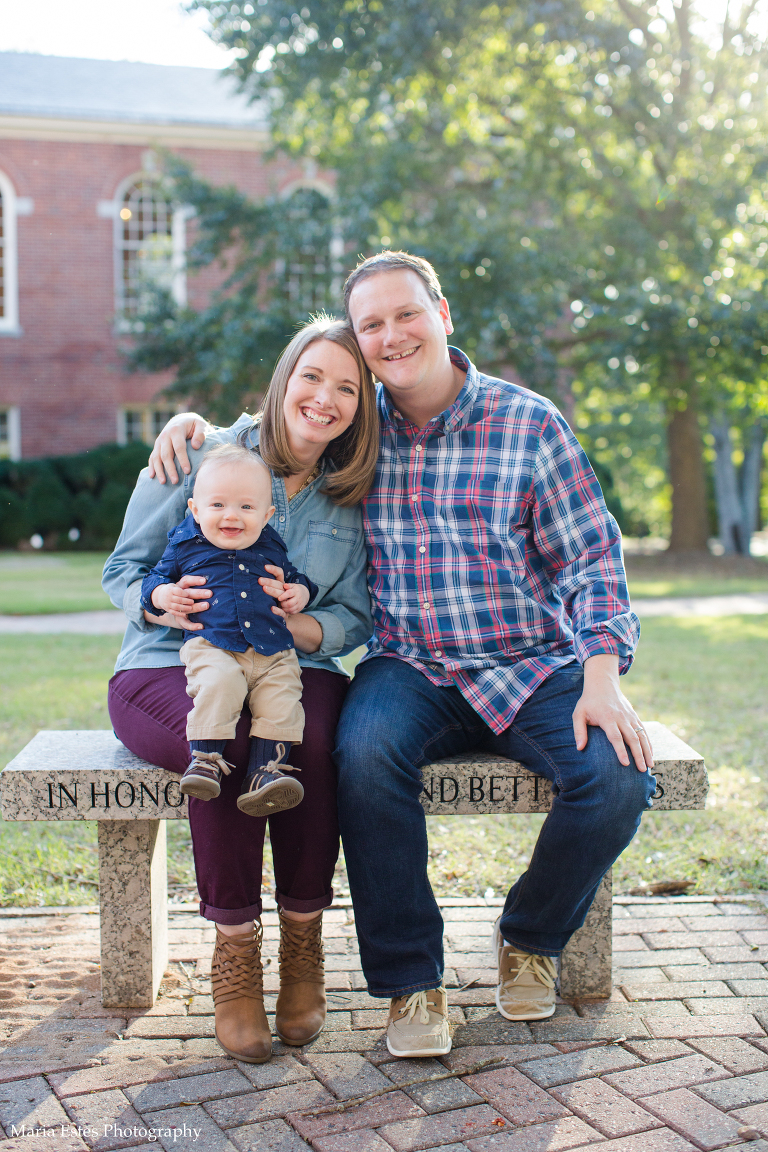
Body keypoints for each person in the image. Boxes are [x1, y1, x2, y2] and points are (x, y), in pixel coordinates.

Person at [151, 251, 656, 1062]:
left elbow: (592, 558)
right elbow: (274, 433)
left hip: (531, 663)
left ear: (442, 314)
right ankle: (410, 981)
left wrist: (603, 677)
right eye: (370, 325)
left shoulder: (530, 424)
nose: (389, 336)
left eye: (405, 314)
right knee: (363, 751)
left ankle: (529, 935)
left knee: (619, 779)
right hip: (409, 664)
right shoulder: (358, 429)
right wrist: (192, 428)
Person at [103, 315, 377, 1064]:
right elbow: (121, 570)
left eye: (348, 388)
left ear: (363, 404)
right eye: (312, 376)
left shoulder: (351, 492)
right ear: (285, 376)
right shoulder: (196, 452)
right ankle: (233, 960)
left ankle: (302, 944)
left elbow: (354, 613)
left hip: (289, 664)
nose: (325, 398)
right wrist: (159, 603)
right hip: (166, 661)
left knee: (310, 740)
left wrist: (307, 623)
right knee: (224, 743)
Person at [141, 444, 318, 817]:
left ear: (267, 515)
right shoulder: (184, 543)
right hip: (213, 644)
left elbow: (294, 578)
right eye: (218, 505)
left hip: (271, 650)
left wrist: (299, 591)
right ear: (195, 509)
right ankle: (205, 760)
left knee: (283, 698)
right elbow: (152, 579)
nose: (231, 516)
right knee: (220, 683)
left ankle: (266, 774)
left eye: (246, 507)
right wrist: (163, 593)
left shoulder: (271, 544)